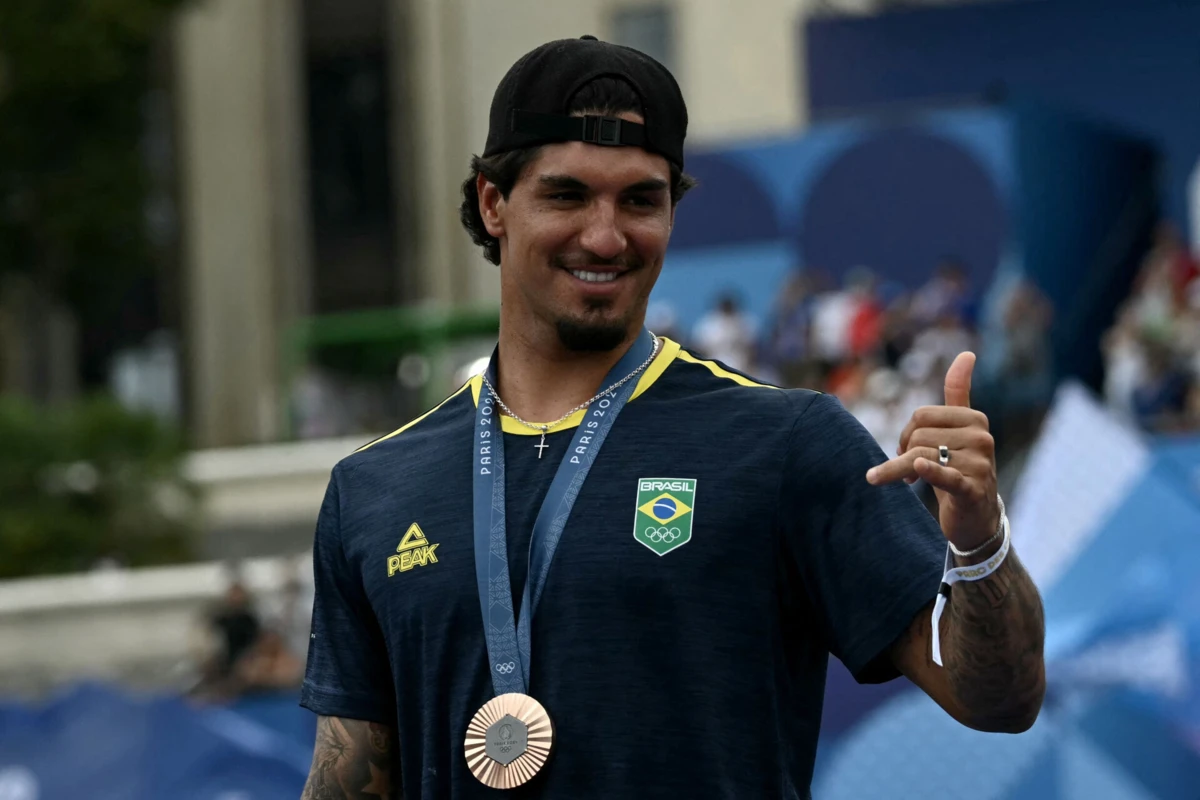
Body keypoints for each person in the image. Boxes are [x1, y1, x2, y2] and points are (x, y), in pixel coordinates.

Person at [299, 36, 1045, 800]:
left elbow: (999, 701)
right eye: (566, 195)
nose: (604, 235)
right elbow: (348, 778)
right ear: (494, 202)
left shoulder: (783, 442)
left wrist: (980, 542)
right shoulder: (376, 490)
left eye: (640, 200)